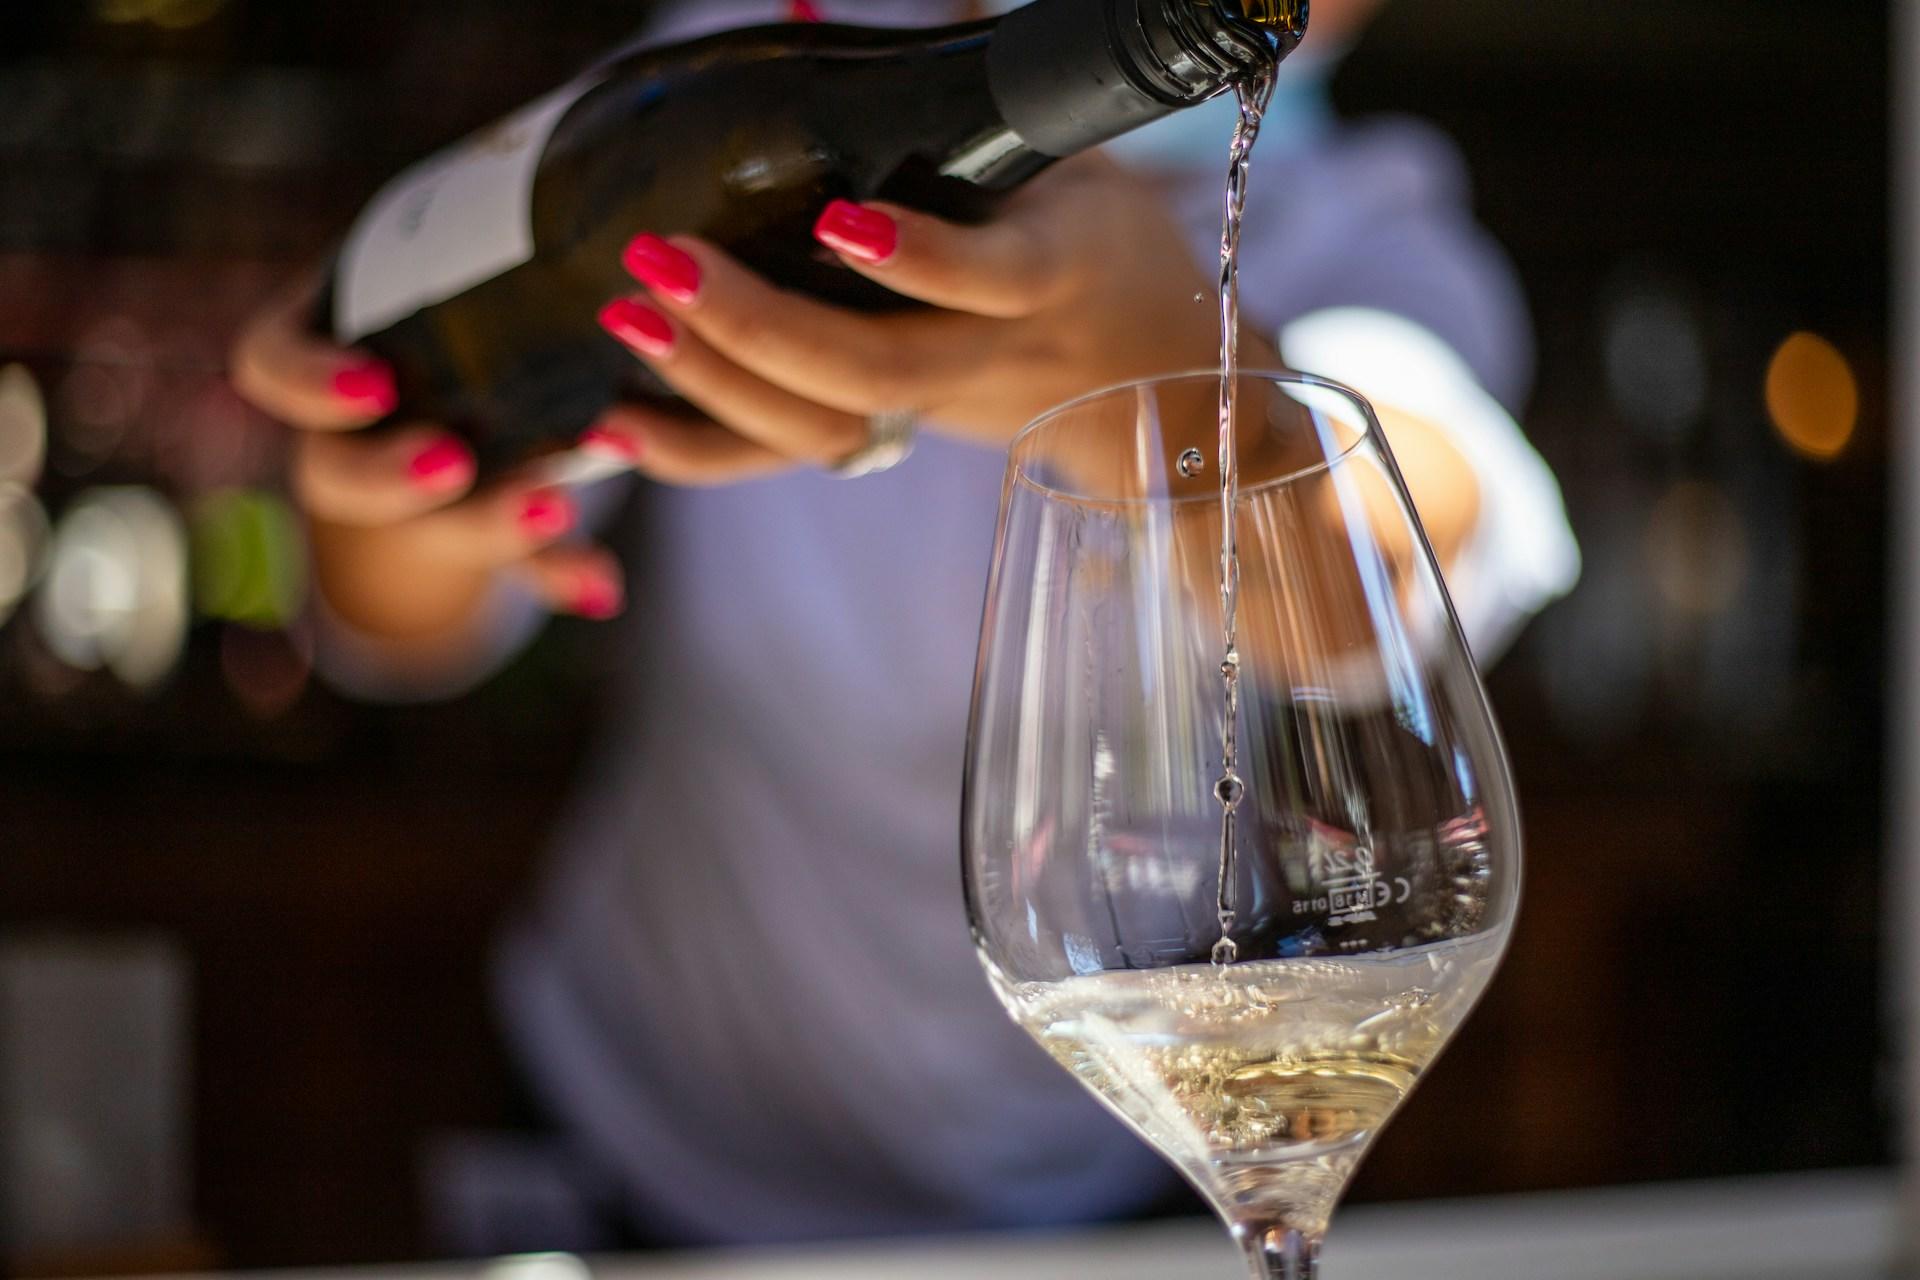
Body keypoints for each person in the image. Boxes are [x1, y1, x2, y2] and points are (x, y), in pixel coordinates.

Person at [231, 0, 1579, 1252]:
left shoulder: (1368, 224)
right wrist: (402, 462)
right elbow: (399, 629)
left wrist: (1180, 391)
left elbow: (1378, 569)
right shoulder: (788, 65)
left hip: (1097, 1184)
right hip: (643, 1143)